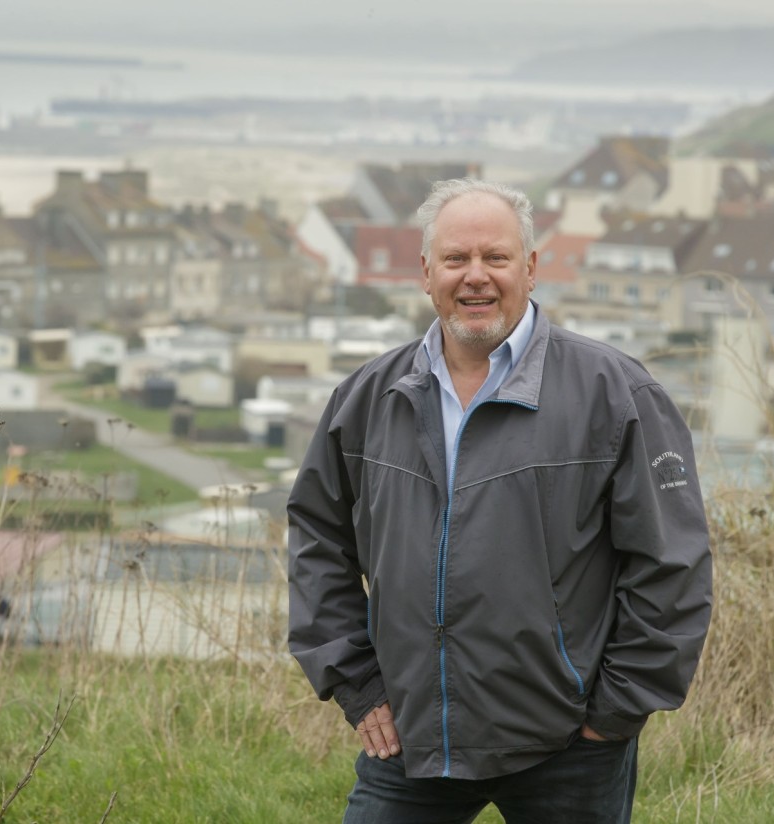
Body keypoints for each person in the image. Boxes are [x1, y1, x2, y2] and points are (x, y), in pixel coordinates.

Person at [287, 178, 713, 823]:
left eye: (497, 258)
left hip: (569, 744)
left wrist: (617, 709)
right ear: (426, 273)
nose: (476, 277)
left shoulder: (614, 392)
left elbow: (672, 563)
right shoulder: (368, 398)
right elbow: (317, 538)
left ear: (532, 269)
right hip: (409, 737)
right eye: (456, 259)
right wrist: (357, 683)